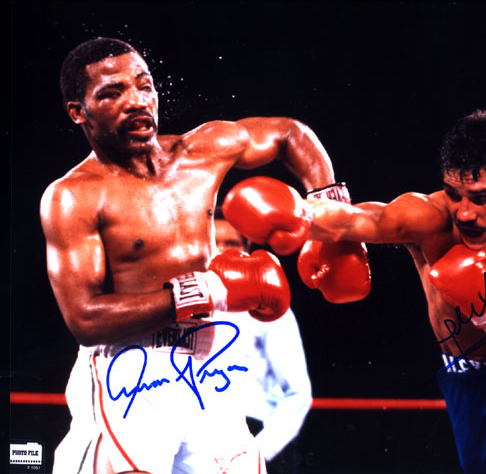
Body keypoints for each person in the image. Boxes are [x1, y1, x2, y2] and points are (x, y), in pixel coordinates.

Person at [40, 36, 352, 474]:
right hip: (128, 372)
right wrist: (208, 290)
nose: (136, 102)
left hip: (213, 361)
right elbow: (86, 319)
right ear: (78, 111)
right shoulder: (73, 196)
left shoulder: (201, 152)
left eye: (143, 86)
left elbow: (289, 134)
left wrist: (329, 216)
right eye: (113, 93)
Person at [223, 110, 486, 474]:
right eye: (454, 194)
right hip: (464, 388)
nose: (463, 213)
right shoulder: (430, 219)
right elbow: (358, 221)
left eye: (481, 198)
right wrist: (296, 213)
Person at [213, 212, 312, 473]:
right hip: (196, 438)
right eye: (214, 242)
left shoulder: (266, 303)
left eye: (230, 243)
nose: (221, 250)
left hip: (253, 433)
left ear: (246, 249)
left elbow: (298, 393)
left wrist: (258, 452)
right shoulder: (184, 307)